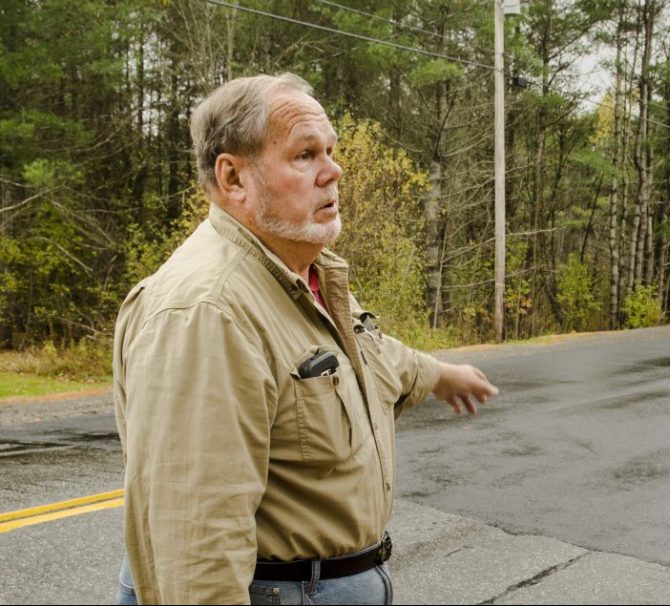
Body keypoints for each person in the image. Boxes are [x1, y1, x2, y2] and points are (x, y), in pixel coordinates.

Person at [112, 73, 498, 605]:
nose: (334, 170)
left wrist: (439, 375)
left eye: (331, 151)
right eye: (305, 155)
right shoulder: (206, 311)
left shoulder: (303, 274)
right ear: (234, 177)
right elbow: (195, 545)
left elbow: (371, 356)